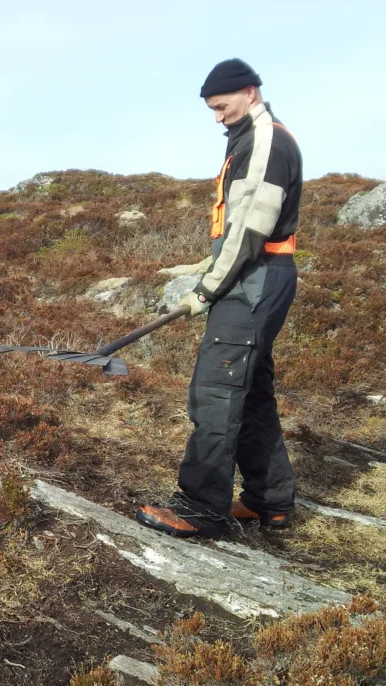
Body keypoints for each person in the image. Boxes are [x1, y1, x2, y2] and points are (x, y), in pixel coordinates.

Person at [136, 58, 302, 539]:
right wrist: (206, 267)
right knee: (250, 393)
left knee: (217, 393)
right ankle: (269, 501)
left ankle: (202, 508)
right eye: (211, 109)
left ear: (249, 92)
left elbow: (252, 229)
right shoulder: (248, 140)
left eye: (221, 106)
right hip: (253, 278)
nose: (217, 117)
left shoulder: (267, 142)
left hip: (253, 283)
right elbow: (237, 226)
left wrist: (207, 291)